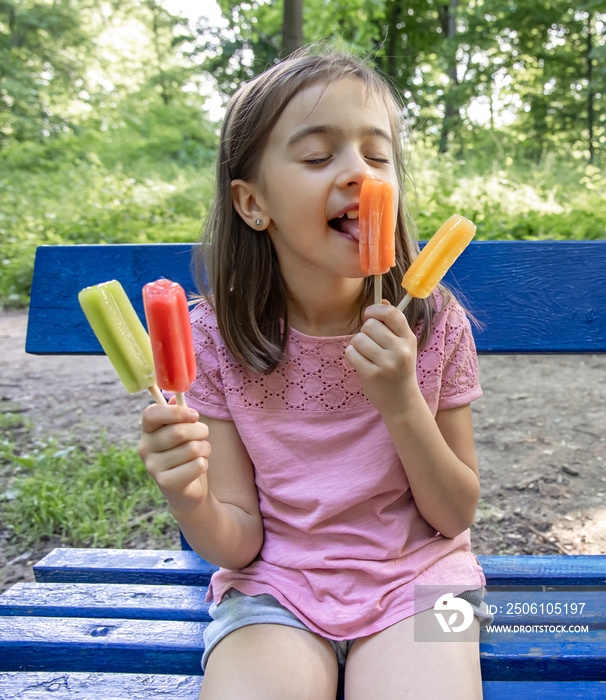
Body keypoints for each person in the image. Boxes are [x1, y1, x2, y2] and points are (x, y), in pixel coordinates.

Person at [138, 44, 491, 700]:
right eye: (318, 156)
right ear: (252, 204)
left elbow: (454, 512)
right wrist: (188, 497)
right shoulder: (213, 341)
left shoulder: (433, 325)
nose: (359, 172)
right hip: (275, 590)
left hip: (425, 584)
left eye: (377, 155)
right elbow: (237, 543)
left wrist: (401, 401)